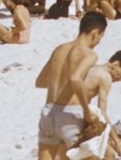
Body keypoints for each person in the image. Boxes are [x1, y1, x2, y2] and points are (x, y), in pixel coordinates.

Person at [35, 12, 107, 160]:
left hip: (48, 112)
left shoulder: (59, 49)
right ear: (95, 33)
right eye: (101, 36)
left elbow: (40, 81)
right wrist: (87, 112)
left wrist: (59, 84)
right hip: (70, 114)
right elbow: (75, 79)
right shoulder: (89, 54)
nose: (99, 41)